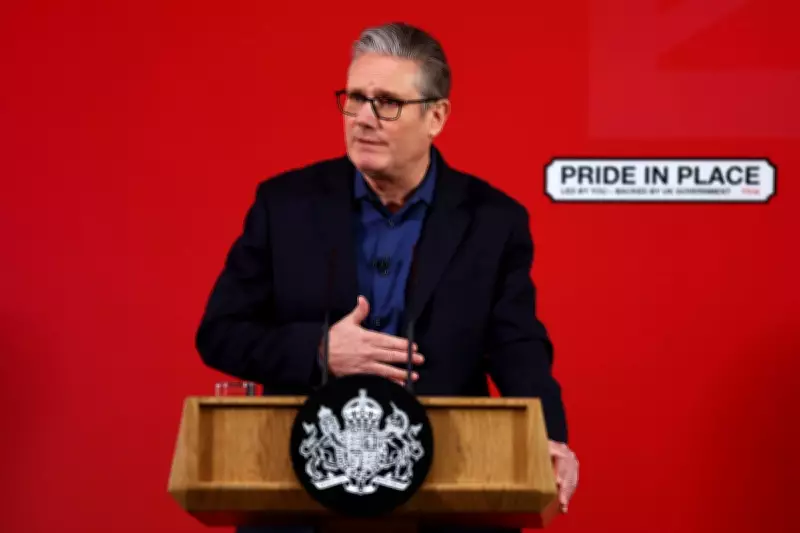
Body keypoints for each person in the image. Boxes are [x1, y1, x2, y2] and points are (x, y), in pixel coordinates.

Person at [195, 21, 579, 533]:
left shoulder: (492, 220)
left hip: (449, 498)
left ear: (436, 116)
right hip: (299, 494)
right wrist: (320, 350)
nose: (363, 119)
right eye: (355, 98)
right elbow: (221, 334)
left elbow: (518, 346)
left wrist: (548, 437)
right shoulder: (284, 205)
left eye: (388, 103)